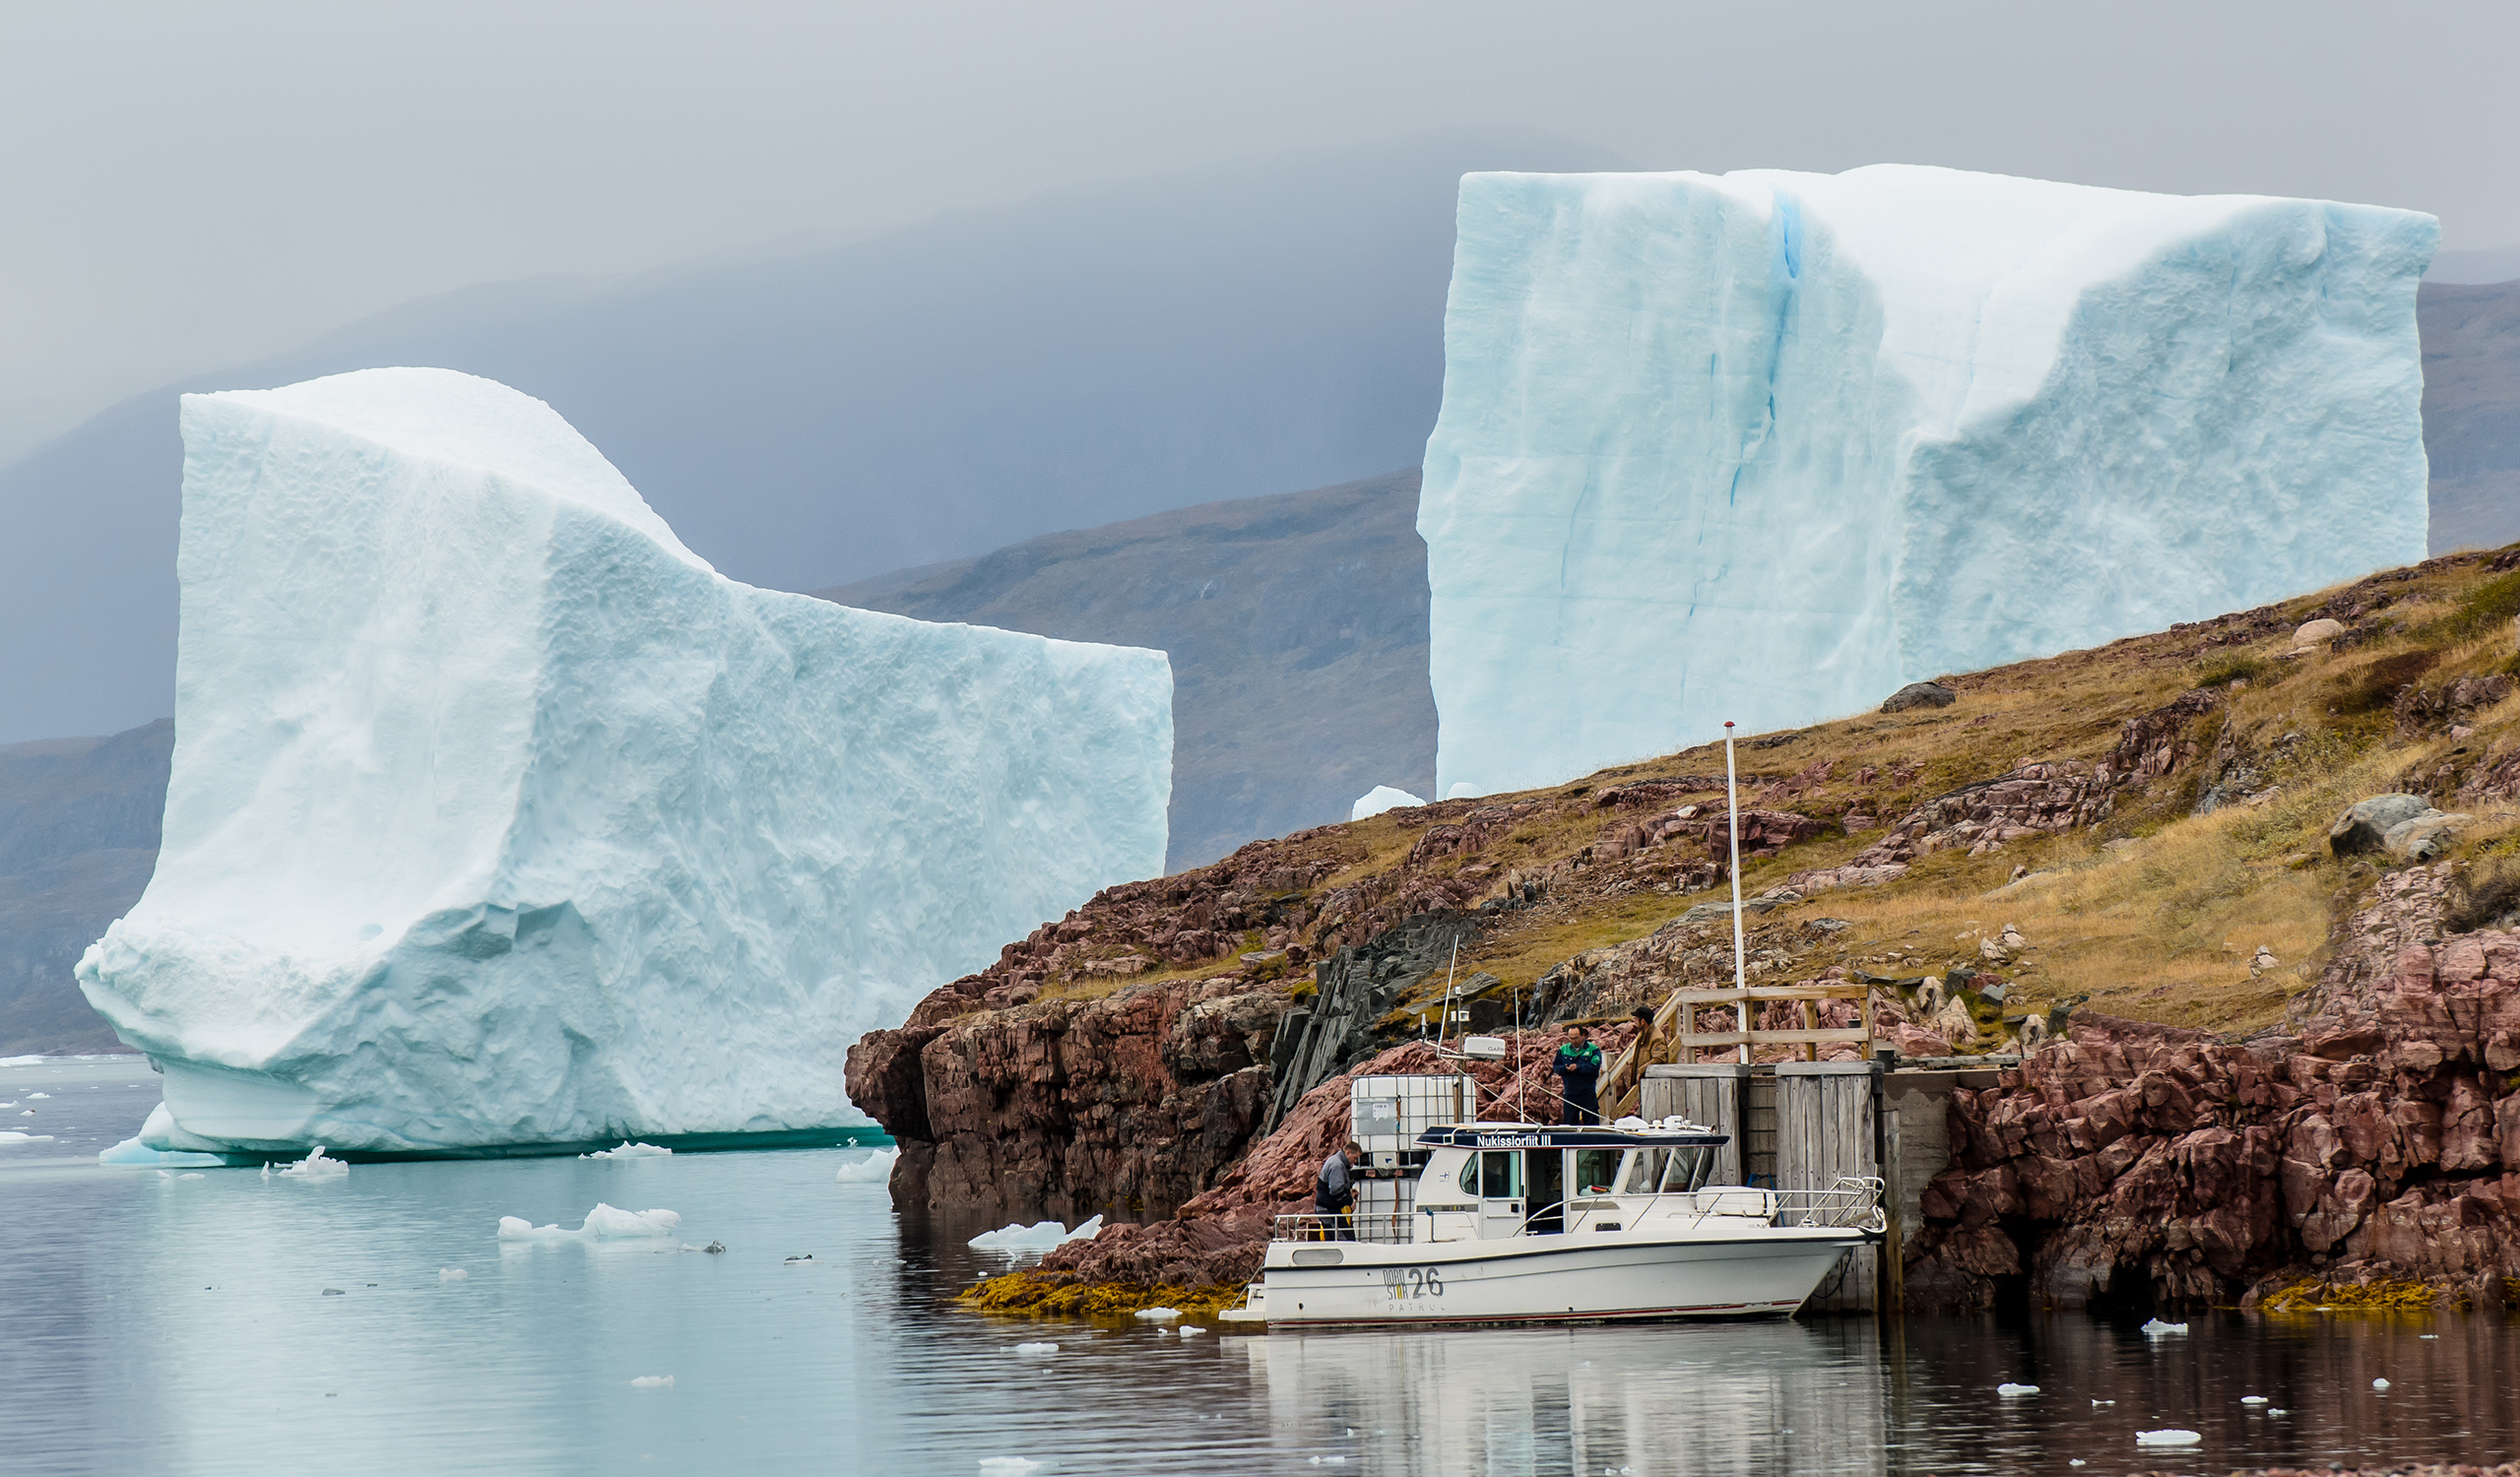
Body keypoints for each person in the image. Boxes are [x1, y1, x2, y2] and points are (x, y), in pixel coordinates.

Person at [1553, 1025, 1603, 1126]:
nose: (1573, 1041)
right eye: (1571, 1038)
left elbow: (1594, 1067)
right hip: (1570, 1094)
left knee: (1592, 1125)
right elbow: (1556, 1066)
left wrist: (1578, 1067)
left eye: (1576, 1038)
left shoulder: (1593, 1050)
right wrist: (1564, 1069)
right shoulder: (1563, 1049)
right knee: (1570, 1126)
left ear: (1583, 1035)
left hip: (1587, 1094)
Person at [1314, 1139, 1363, 1239]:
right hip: (1328, 1209)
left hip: (1327, 1207)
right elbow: (1336, 1191)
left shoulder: (1335, 1161)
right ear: (1348, 1152)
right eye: (1355, 1158)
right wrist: (1350, 1202)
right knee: (1345, 1239)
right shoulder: (1337, 1165)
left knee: (1333, 1238)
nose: (1355, 1161)